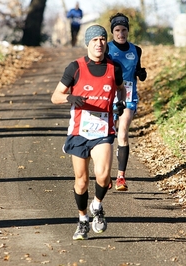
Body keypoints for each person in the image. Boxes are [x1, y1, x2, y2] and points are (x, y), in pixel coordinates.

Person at [51, 24, 126, 240]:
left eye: (102, 39)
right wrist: (69, 98)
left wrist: (120, 103)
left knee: (103, 176)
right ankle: (83, 219)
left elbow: (121, 89)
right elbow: (55, 96)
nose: (99, 43)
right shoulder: (75, 67)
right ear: (87, 43)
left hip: (103, 129)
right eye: (95, 40)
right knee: (81, 181)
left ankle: (98, 206)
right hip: (79, 132)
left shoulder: (114, 68)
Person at [107, 13, 147, 191]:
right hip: (108, 95)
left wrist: (141, 73)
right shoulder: (106, 49)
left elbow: (137, 69)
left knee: (122, 133)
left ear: (128, 31)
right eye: (117, 30)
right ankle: (104, 173)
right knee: (106, 136)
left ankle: (121, 177)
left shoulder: (136, 50)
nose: (121, 34)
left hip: (129, 96)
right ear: (112, 32)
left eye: (124, 30)